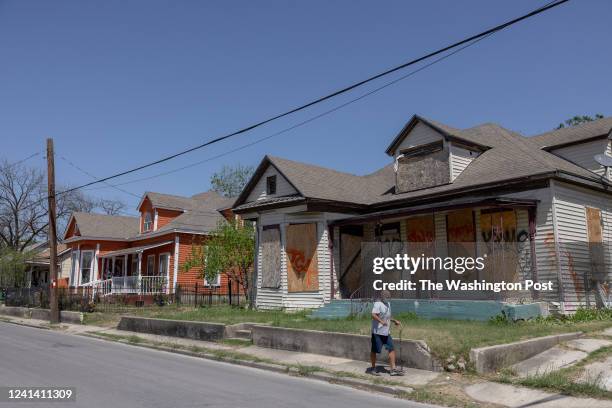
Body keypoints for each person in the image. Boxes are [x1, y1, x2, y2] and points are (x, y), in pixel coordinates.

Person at [367, 290, 404, 376]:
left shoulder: (388, 304)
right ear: (383, 297)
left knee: (391, 348)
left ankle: (393, 369)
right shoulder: (377, 304)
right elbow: (373, 315)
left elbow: (388, 315)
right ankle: (373, 368)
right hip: (377, 332)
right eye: (387, 297)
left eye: (389, 297)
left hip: (386, 332)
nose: (388, 299)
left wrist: (394, 320)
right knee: (375, 350)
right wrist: (381, 321)